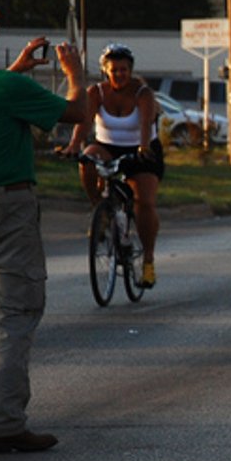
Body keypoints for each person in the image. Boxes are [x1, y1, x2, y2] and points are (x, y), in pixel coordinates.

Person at [0, 38, 85, 453]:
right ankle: (4, 423)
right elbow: (77, 113)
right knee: (15, 311)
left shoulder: (8, 85)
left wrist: (16, 69)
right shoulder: (9, 89)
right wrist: (74, 73)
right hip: (7, 206)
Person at [69, 44, 163, 288]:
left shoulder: (142, 93)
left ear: (130, 70)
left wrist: (143, 148)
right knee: (87, 160)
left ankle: (149, 262)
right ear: (105, 71)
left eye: (124, 70)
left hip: (141, 149)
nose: (119, 74)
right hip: (108, 146)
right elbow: (84, 122)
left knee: (145, 203)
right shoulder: (97, 92)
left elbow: (145, 124)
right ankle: (99, 210)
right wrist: (73, 145)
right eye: (114, 70)